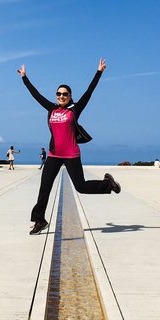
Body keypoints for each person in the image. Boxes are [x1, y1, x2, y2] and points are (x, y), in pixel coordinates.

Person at [17, 58, 121, 235]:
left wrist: (99, 72)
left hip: (71, 154)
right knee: (44, 188)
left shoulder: (74, 109)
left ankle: (107, 184)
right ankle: (39, 220)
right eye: (59, 94)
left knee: (81, 187)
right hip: (54, 155)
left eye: (65, 94)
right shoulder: (51, 109)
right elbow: (36, 95)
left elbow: (89, 92)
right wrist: (25, 78)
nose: (61, 96)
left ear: (70, 96)